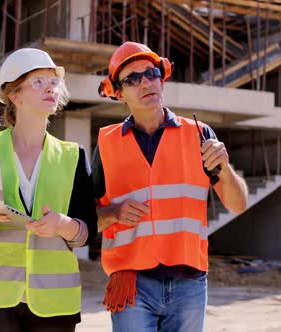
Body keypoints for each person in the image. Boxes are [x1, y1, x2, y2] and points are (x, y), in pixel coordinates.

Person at [94, 42, 248, 332]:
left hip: (189, 284)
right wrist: (113, 212)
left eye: (151, 73)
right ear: (119, 93)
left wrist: (225, 170)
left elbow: (238, 204)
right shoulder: (106, 144)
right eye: (132, 79)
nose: (145, 83)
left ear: (161, 80)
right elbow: (87, 220)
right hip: (132, 283)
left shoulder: (199, 135)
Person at [0, 48, 98, 332]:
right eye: (38, 81)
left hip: (54, 303)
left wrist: (63, 225)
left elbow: (88, 233)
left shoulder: (73, 156)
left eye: (53, 81)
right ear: (14, 96)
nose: (50, 87)